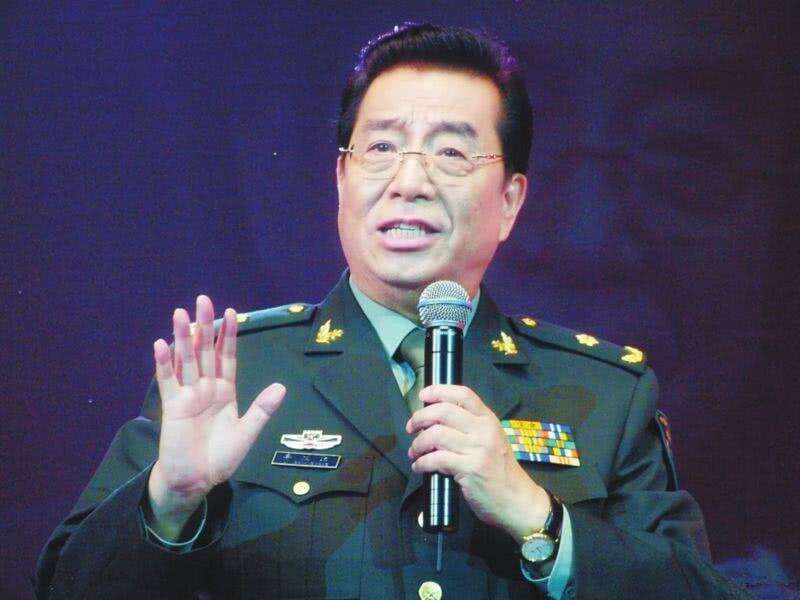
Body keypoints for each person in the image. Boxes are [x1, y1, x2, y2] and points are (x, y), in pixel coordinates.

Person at [35, 24, 748, 599]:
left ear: (510, 200)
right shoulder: (235, 372)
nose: (409, 181)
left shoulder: (608, 393)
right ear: (342, 177)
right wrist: (168, 503)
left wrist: (539, 519)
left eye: (451, 153)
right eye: (381, 147)